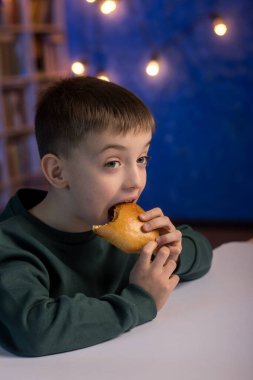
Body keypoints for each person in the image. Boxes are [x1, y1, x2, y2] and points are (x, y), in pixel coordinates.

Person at [0, 77, 212, 357]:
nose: (136, 181)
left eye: (142, 159)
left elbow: (203, 252)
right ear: (58, 173)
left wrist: (172, 252)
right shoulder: (11, 245)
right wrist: (140, 300)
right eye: (112, 163)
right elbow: (35, 329)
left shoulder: (126, 232)